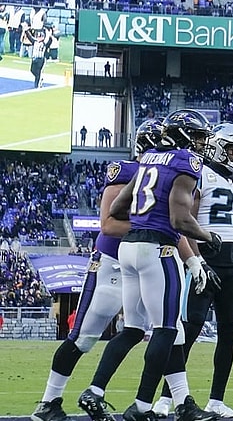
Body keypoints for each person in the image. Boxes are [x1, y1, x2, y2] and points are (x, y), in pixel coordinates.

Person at [81, 109, 223, 421]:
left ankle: (179, 401)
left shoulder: (148, 159)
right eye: (198, 136)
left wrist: (145, 219)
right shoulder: (187, 162)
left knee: (137, 328)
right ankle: (142, 406)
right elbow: (179, 220)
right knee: (166, 329)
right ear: (183, 136)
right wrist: (206, 236)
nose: (202, 143)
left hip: (129, 248)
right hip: (157, 250)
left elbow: (118, 208)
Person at [30, 119, 163, 421]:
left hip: (144, 266)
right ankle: (49, 402)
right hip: (111, 265)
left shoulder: (167, 178)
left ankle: (149, 402)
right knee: (83, 339)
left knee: (158, 331)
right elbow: (108, 224)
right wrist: (152, 227)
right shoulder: (127, 172)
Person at [151, 123, 233, 419]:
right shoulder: (201, 172)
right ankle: (168, 397)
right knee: (189, 329)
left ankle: (216, 400)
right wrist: (196, 261)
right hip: (206, 257)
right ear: (218, 146)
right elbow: (185, 220)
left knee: (228, 333)